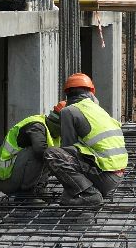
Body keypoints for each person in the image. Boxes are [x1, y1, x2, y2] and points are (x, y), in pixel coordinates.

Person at [45, 73, 128, 208]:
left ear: (67, 94)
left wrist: (70, 188)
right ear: (92, 92)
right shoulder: (98, 110)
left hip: (104, 177)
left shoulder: (69, 111)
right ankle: (91, 190)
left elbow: (67, 150)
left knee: (52, 154)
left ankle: (90, 194)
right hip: (117, 176)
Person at [0, 102, 64, 199]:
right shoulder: (36, 125)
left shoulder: (54, 132)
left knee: (52, 153)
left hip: (16, 176)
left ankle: (38, 190)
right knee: (42, 152)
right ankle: (27, 195)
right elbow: (40, 151)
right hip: (7, 180)